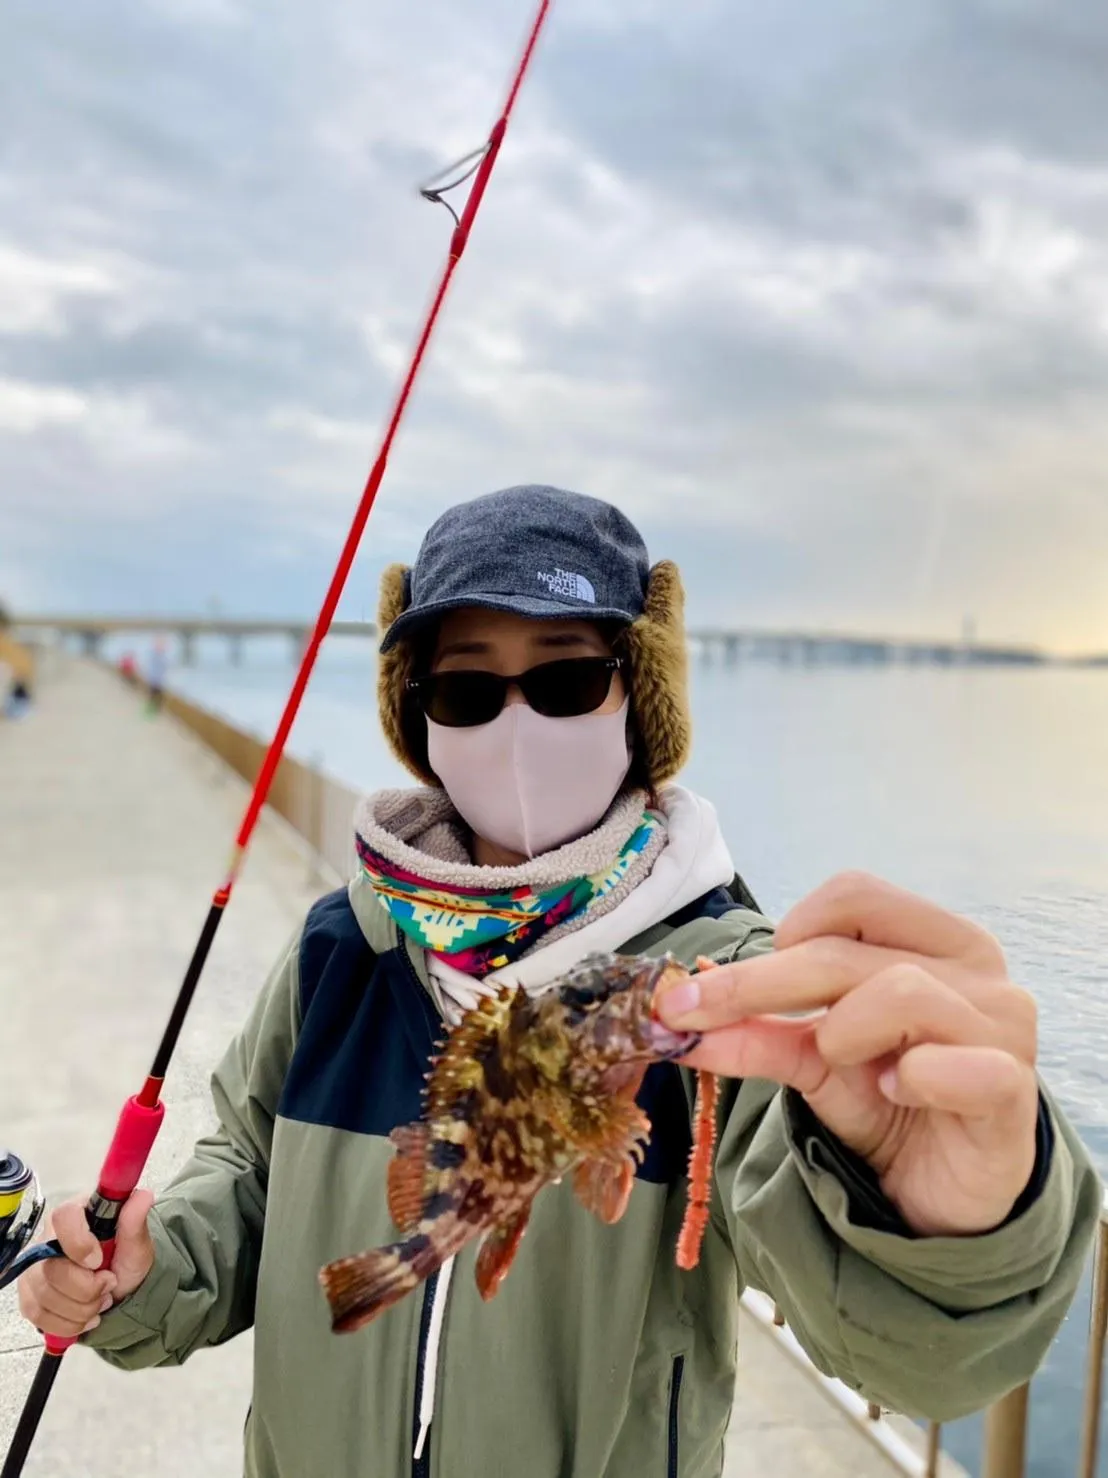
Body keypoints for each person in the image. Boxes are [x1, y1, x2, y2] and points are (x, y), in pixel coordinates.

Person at [19, 486, 1101, 1478]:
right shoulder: (341, 947)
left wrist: (953, 1228)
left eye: (568, 675)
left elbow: (913, 1356)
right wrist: (146, 1267)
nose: (518, 720)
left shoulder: (724, 997)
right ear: (421, 718)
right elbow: (248, 1171)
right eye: (465, 685)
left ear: (638, 700)